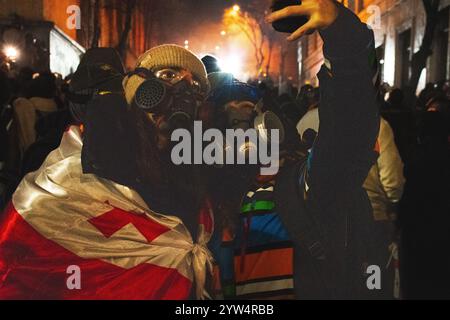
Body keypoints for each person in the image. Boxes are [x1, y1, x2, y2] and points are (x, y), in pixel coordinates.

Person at [0, 44, 214, 299]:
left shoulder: (195, 168)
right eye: (169, 75)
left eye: (195, 87)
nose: (184, 91)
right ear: (138, 87)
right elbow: (22, 262)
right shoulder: (78, 175)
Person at [210, 0, 381, 299]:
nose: (239, 128)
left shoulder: (300, 185)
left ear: (269, 123)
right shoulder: (196, 198)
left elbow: (348, 131)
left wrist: (342, 33)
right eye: (226, 118)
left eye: (247, 110)